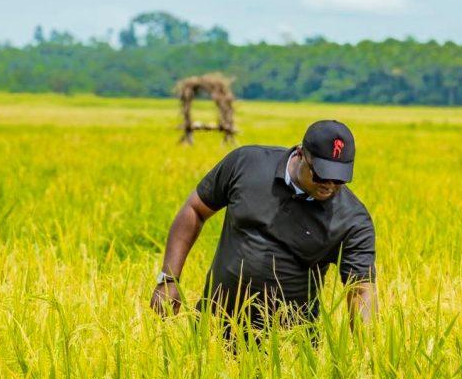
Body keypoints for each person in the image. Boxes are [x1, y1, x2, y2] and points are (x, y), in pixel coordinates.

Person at [150, 120, 376, 333]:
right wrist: (169, 279)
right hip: (214, 328)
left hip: (289, 346)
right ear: (300, 154)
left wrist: (365, 352)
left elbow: (360, 289)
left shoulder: (353, 220)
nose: (329, 185)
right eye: (321, 175)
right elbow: (195, 210)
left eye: (339, 179)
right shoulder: (247, 164)